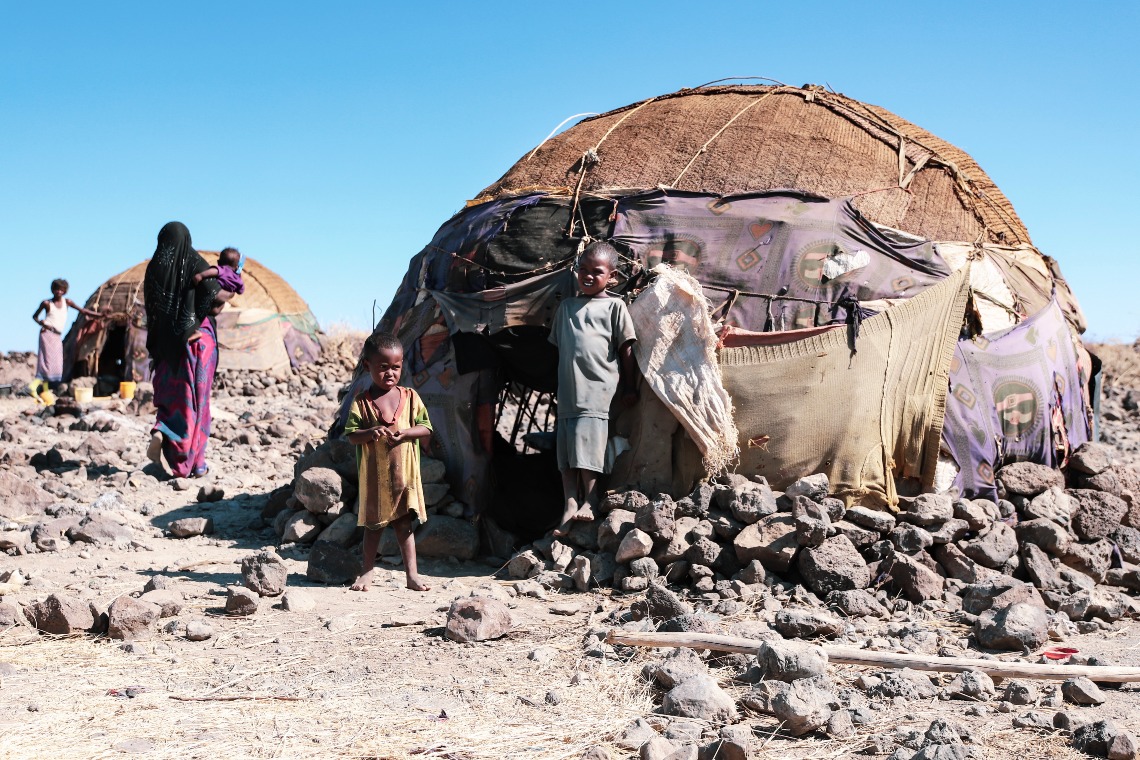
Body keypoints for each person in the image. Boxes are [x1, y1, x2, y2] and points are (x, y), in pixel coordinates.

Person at [549, 241, 638, 537]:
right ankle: (569, 502)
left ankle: (590, 498)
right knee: (566, 447)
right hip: (569, 390)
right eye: (582, 270)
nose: (587, 276)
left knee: (588, 444)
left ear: (611, 276)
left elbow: (626, 350)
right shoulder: (565, 308)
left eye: (596, 272)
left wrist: (628, 385)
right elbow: (560, 350)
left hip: (598, 389)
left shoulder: (615, 306)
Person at [345, 332, 433, 592]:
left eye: (396, 367)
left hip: (403, 478)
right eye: (383, 367)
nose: (390, 373)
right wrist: (370, 433)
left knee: (404, 526)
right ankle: (367, 573)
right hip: (374, 480)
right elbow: (351, 436)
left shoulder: (410, 397)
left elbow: (426, 428)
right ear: (367, 366)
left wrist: (406, 433)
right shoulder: (361, 403)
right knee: (373, 527)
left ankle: (412, 575)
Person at [143, 222, 232, 476]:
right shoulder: (193, 263)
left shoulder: (154, 269)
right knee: (197, 402)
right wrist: (233, 286)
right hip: (197, 343)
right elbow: (214, 302)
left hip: (166, 350)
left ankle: (164, 430)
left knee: (174, 401)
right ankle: (193, 464)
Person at [30, 279, 102, 398]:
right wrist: (43, 324)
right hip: (47, 333)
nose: (58, 292)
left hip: (57, 335)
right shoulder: (47, 303)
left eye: (61, 290)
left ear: (64, 291)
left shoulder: (67, 302)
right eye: (56, 289)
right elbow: (35, 316)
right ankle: (33, 387)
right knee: (47, 362)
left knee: (57, 363)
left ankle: (44, 390)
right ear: (53, 290)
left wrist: (100, 315)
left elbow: (83, 311)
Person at [188, 247, 244, 343]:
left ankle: (196, 331)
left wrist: (200, 276)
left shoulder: (222, 269)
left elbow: (214, 271)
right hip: (219, 305)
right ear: (237, 266)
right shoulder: (237, 278)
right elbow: (241, 291)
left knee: (197, 314)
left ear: (219, 262)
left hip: (210, 299)